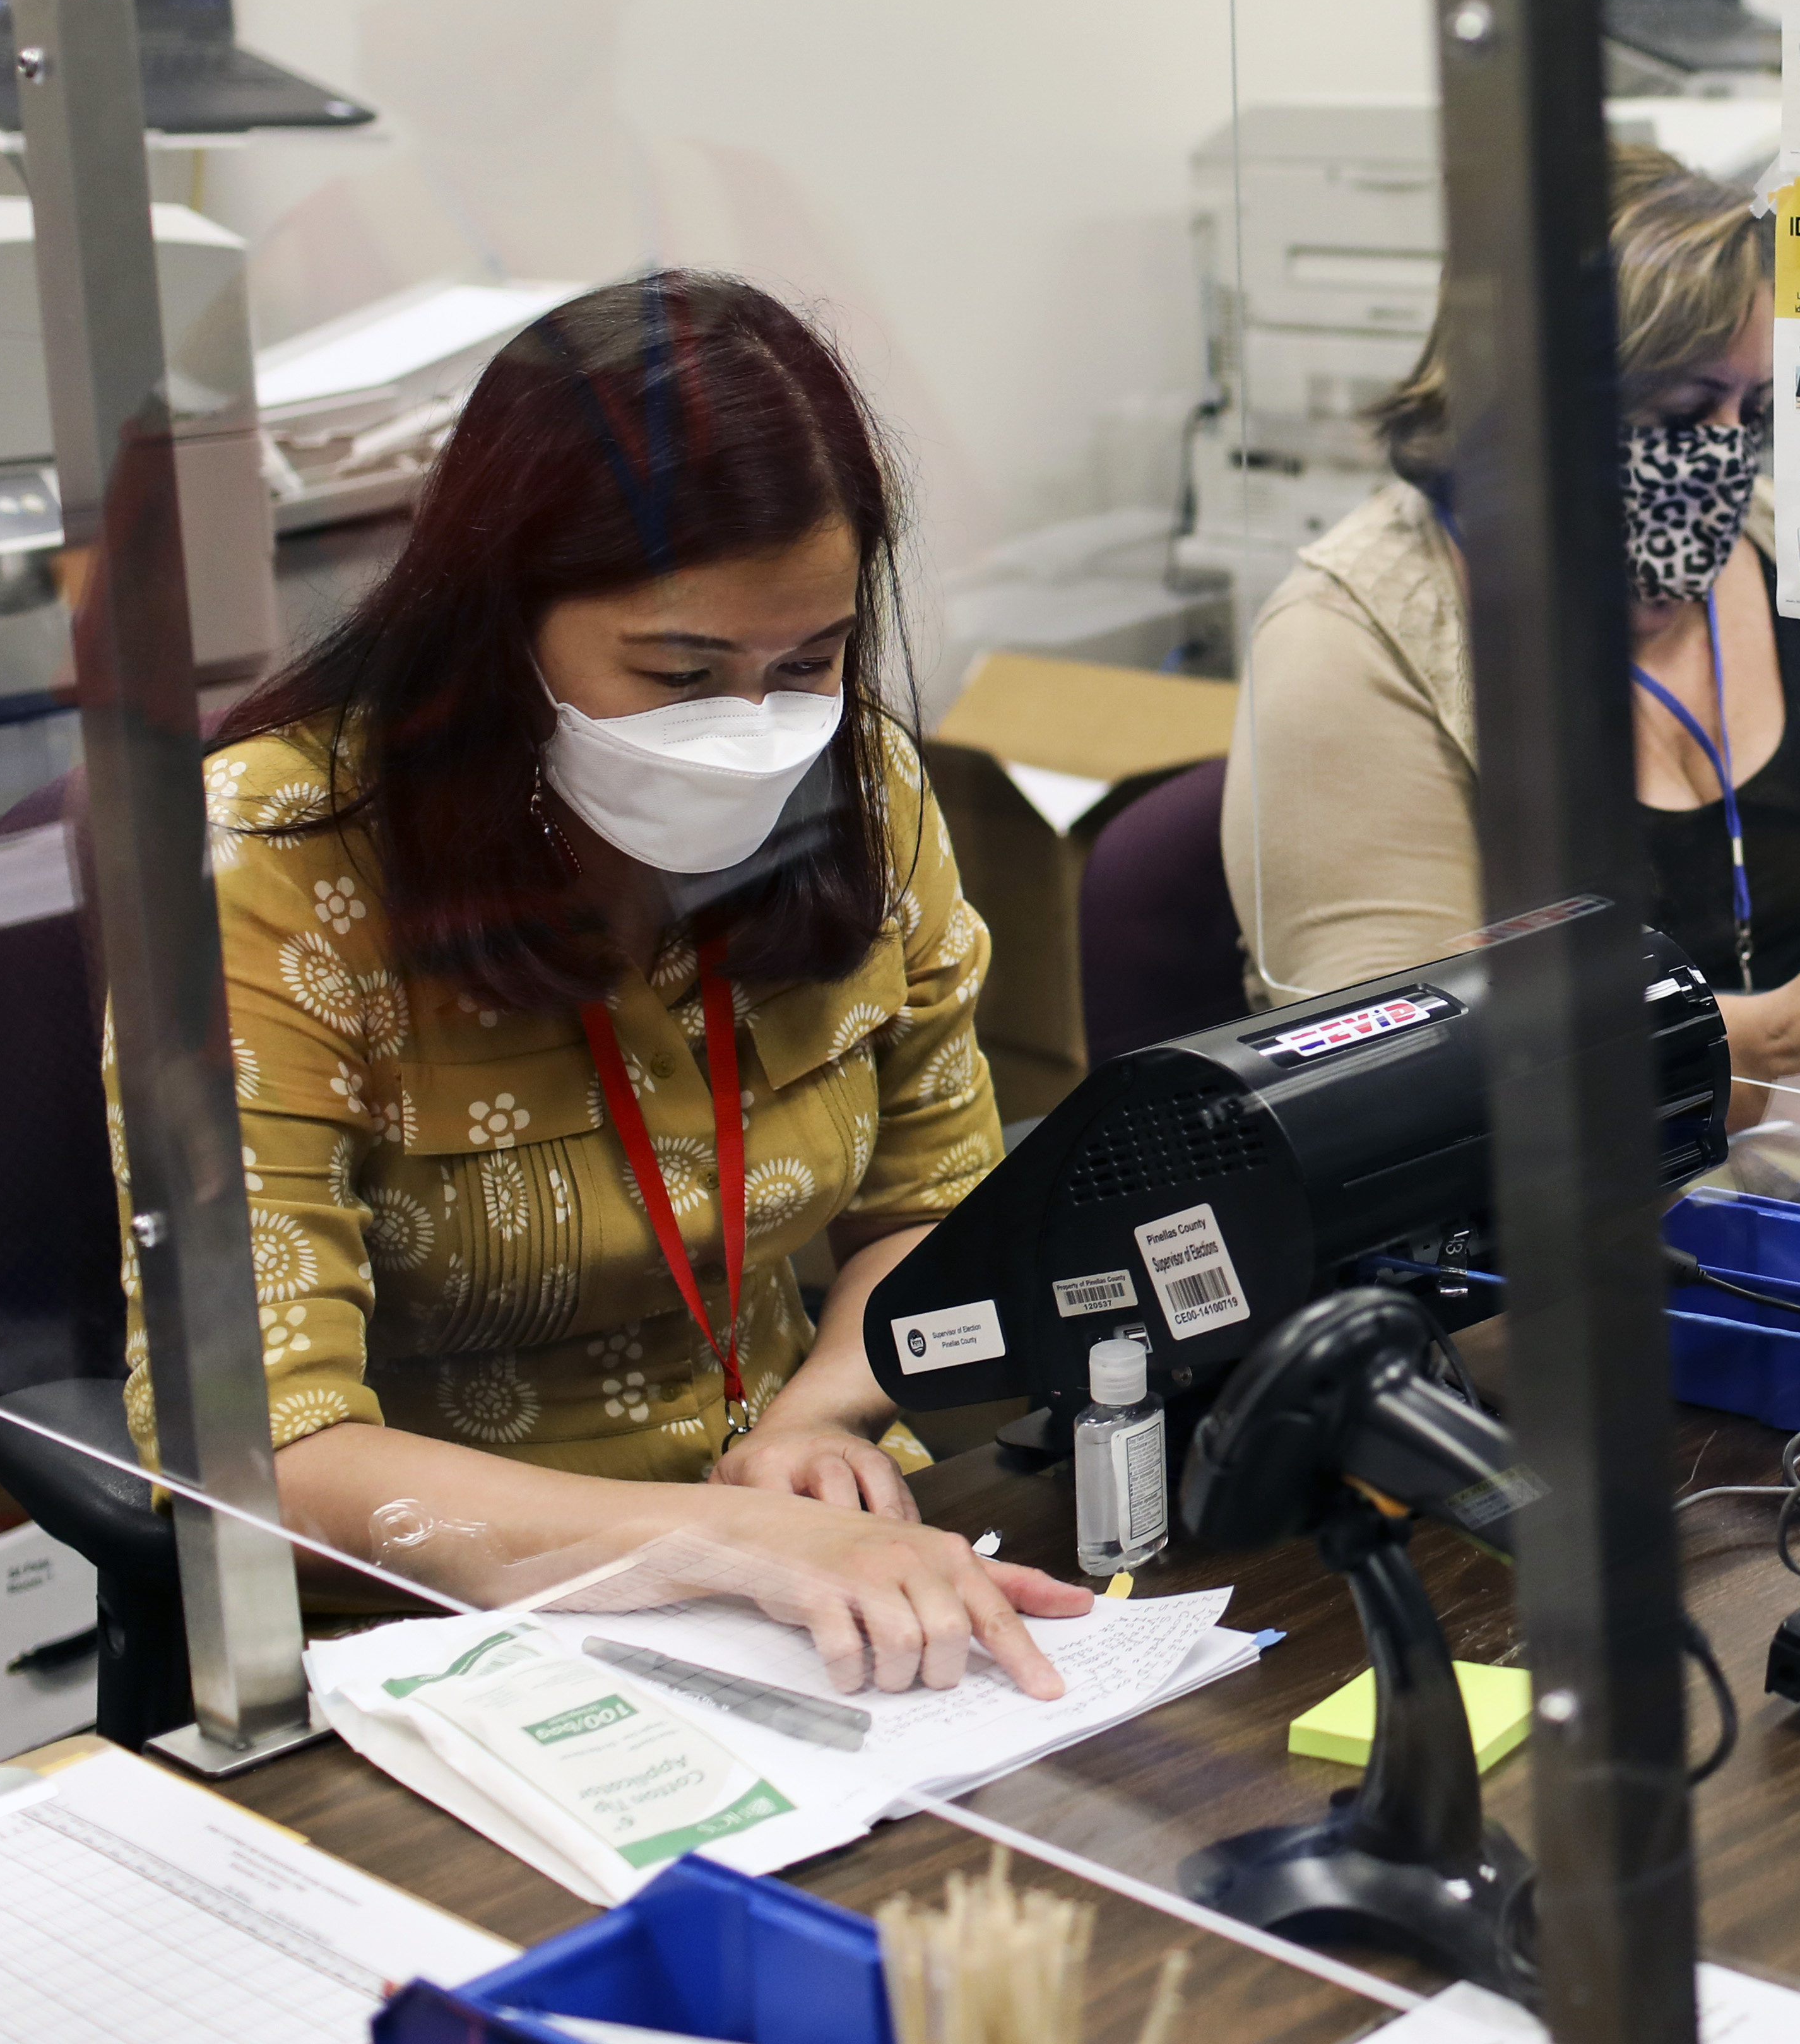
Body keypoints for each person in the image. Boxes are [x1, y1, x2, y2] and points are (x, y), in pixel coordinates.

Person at [122, 273, 1092, 1696]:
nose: (754, 726)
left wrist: (818, 1413)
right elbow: (264, 1439)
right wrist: (714, 1537)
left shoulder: (858, 782)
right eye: (682, 668)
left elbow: (940, 1207)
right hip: (441, 1631)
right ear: (502, 616)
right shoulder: (274, 864)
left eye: (805, 660)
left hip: (826, 1562)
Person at [1223, 146, 1800, 1119]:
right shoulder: (1350, 644)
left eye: (1752, 410)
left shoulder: (1763, 536)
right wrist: (1763, 1046)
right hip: (1595, 1231)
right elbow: (1397, 1086)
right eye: (1684, 412)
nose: (1726, 452)